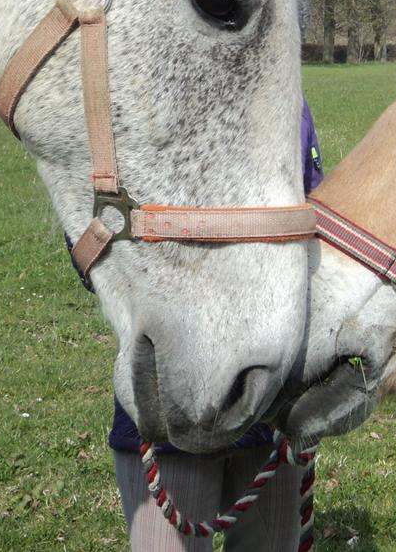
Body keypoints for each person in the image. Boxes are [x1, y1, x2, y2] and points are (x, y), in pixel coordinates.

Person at [73, 100, 323, 551]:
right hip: (172, 401)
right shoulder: (134, 94)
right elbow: (94, 234)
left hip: (271, 400)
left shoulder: (288, 102)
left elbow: (314, 221)